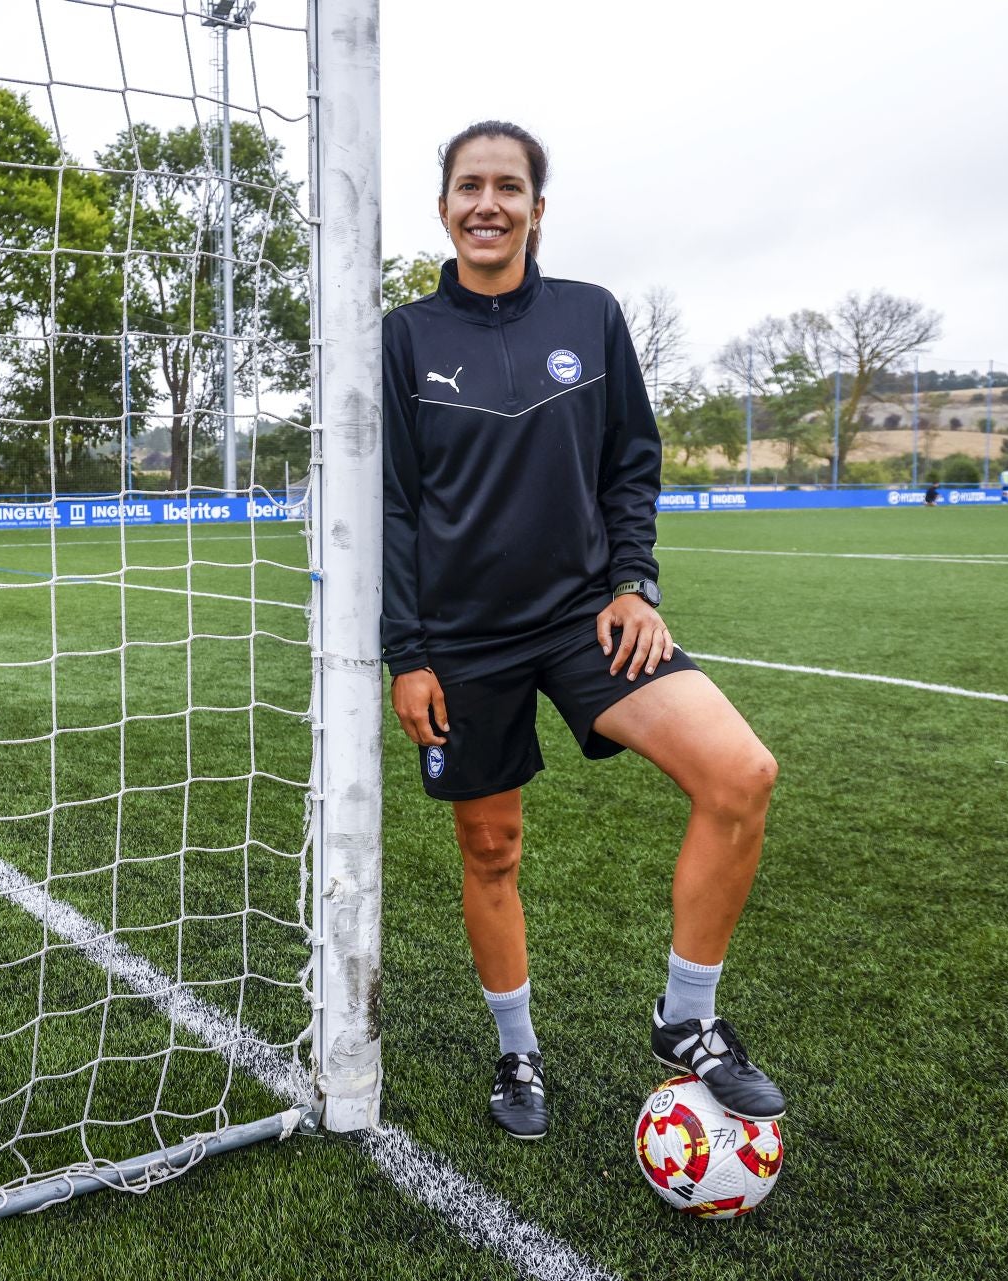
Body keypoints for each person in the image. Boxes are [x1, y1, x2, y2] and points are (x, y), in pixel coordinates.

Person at [382, 121, 785, 1141]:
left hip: (583, 617)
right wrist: (408, 653)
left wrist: (634, 582)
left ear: (537, 207)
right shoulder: (404, 338)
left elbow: (630, 461)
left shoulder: (591, 315)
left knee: (740, 772)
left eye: (508, 187)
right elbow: (392, 503)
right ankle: (517, 1051)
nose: (487, 204)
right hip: (463, 639)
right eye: (469, 186)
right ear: (444, 207)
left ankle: (686, 1019)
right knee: (491, 848)